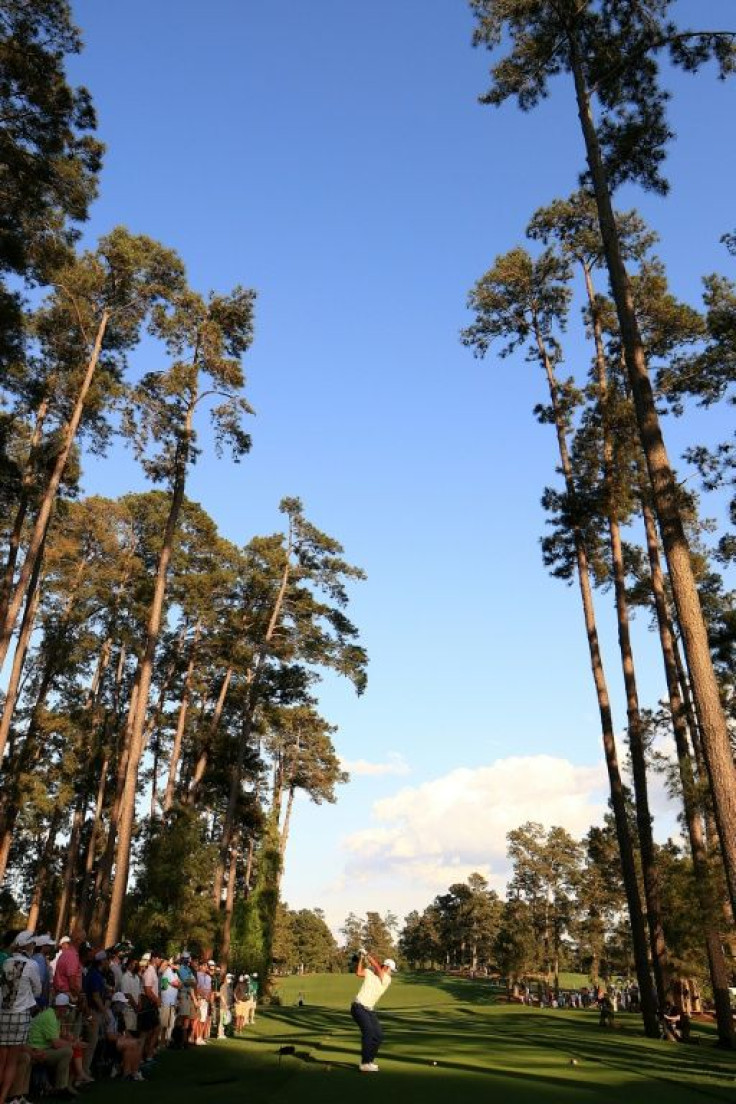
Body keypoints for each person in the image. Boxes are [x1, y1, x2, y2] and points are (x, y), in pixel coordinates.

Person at [0, 932, 42, 1104]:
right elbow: (38, 990)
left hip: (3, 1014)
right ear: (28, 946)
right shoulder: (32, 965)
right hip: (20, 1015)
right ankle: (2, 1099)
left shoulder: (6, 962)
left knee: (1, 1061)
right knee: (11, 1062)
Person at [349, 950, 396, 1073]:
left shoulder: (387, 979)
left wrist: (367, 955)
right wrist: (361, 958)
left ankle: (369, 1062)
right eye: (391, 970)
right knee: (369, 1032)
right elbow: (359, 973)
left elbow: (377, 968)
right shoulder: (370, 973)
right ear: (386, 967)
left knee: (379, 1036)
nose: (392, 973)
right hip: (358, 1007)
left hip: (369, 1010)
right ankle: (365, 1063)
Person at [26, 992, 76, 1099]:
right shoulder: (50, 1016)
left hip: (41, 1048)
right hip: (36, 1050)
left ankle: (64, 1086)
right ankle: (60, 1088)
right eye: (67, 1007)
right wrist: (73, 1043)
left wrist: (68, 1039)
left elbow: (57, 1039)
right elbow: (56, 1043)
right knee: (68, 1051)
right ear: (61, 1007)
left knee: (68, 1050)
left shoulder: (54, 1016)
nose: (68, 1010)